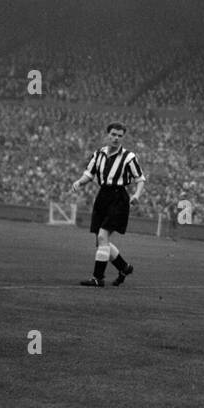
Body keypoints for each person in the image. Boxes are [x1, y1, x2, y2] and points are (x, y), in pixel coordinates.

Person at [72, 122, 145, 286]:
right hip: (103, 196)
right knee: (100, 242)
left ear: (123, 138)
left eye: (120, 136)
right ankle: (124, 267)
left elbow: (140, 179)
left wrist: (137, 195)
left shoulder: (129, 157)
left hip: (119, 197)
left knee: (102, 236)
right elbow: (89, 174)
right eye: (113, 134)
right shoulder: (98, 154)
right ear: (107, 135)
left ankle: (98, 278)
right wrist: (79, 182)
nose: (116, 138)